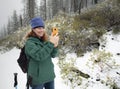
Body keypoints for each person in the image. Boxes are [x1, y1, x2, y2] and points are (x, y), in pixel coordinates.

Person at [24, 17, 59, 89]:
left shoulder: (45, 41)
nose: (41, 30)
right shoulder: (29, 43)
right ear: (33, 29)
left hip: (49, 76)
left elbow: (53, 55)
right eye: (39, 28)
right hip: (37, 79)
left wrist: (55, 45)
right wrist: (51, 43)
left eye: (42, 28)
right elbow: (39, 56)